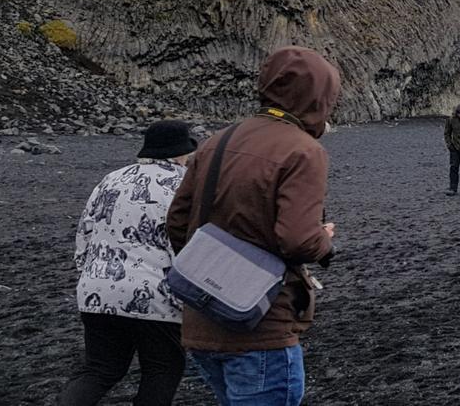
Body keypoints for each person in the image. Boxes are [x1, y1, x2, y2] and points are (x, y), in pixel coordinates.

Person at [167, 47, 339, 406]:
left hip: (202, 321)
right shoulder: (303, 151)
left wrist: (215, 274)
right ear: (320, 96)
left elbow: (177, 222)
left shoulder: (219, 139)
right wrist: (323, 241)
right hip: (260, 325)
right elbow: (297, 239)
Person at [59, 120, 196, 406]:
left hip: (97, 290)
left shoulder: (111, 179)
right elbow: (187, 242)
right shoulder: (185, 184)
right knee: (163, 368)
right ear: (182, 152)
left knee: (100, 369)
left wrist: (89, 274)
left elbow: (84, 234)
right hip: (156, 297)